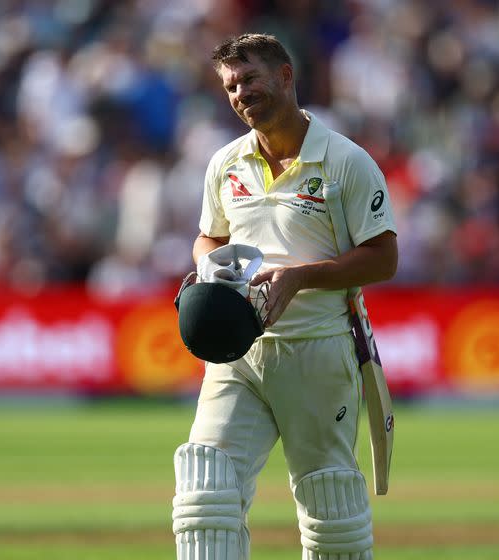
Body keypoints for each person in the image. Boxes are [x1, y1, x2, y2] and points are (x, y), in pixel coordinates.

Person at [171, 33, 398, 559]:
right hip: (239, 353)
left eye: (250, 79)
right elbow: (210, 236)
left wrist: (298, 277)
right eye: (231, 86)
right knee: (206, 493)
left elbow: (384, 258)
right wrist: (207, 263)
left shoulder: (346, 162)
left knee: (329, 510)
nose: (240, 94)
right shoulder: (226, 164)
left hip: (318, 350)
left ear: (285, 76)